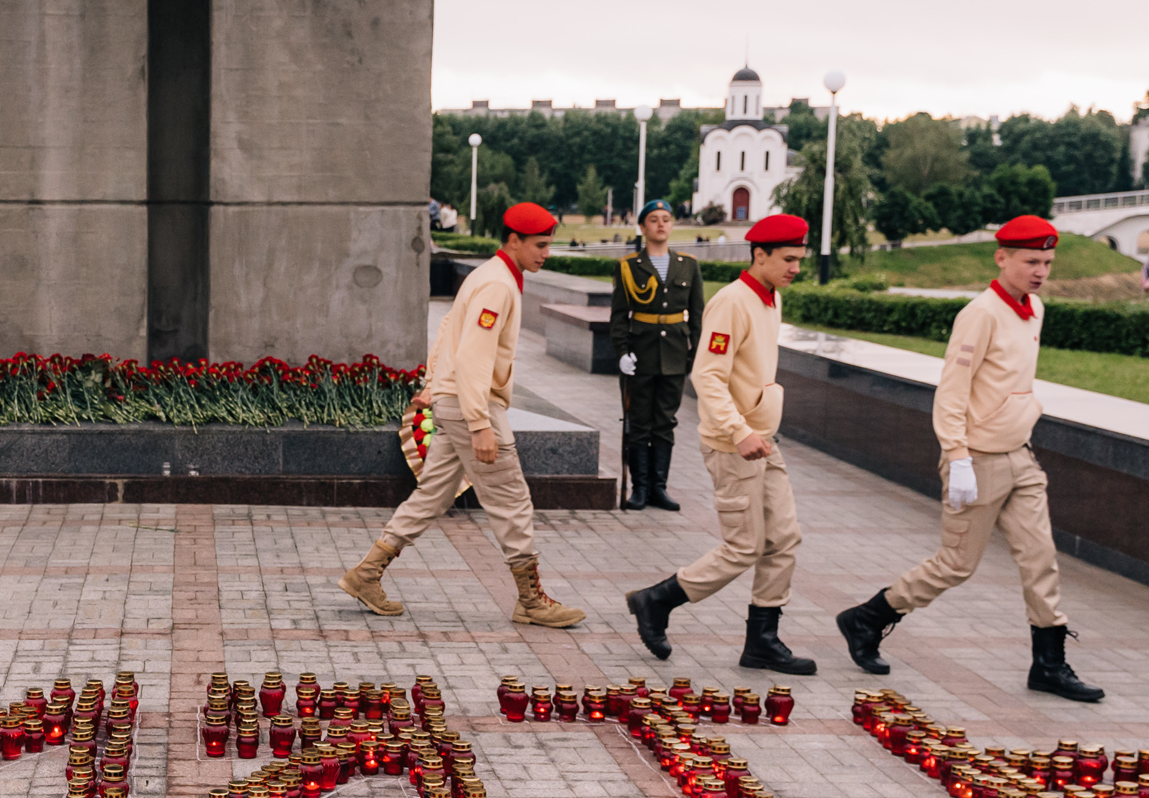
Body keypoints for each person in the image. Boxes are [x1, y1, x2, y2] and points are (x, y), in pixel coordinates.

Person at [831, 215, 1103, 700]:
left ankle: (1049, 664)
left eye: (1047, 262)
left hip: (1020, 456)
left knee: (1042, 560)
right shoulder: (980, 314)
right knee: (957, 564)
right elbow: (952, 394)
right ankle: (866, 619)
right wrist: (957, 458)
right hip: (976, 459)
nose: (1040, 271)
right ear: (1002, 259)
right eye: (1030, 261)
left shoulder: (1034, 309)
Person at [338, 201, 587, 627]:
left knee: (432, 496)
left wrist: (434, 384)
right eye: (540, 245)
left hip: (454, 400)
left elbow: (448, 328)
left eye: (549, 245)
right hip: (473, 406)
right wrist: (480, 424)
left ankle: (365, 574)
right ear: (514, 240)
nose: (546, 253)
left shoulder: (492, 276)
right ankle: (530, 601)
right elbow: (473, 356)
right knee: (512, 500)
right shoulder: (497, 285)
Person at [624, 213, 813, 672]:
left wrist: (757, 430)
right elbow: (707, 376)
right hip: (735, 445)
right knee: (744, 546)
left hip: (762, 439)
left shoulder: (770, 299)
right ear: (760, 254)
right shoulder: (733, 302)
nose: (796, 268)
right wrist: (739, 431)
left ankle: (762, 641)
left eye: (800, 260)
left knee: (784, 538)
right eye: (788, 259)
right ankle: (657, 601)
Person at [612, 200, 702, 512]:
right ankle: (640, 488)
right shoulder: (628, 267)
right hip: (641, 355)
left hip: (675, 355)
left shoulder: (688, 265)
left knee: (665, 422)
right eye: (654, 219)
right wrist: (622, 353)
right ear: (642, 227)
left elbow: (697, 317)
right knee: (638, 423)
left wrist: (694, 357)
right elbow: (620, 316)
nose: (661, 224)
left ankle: (659, 488)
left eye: (666, 219)